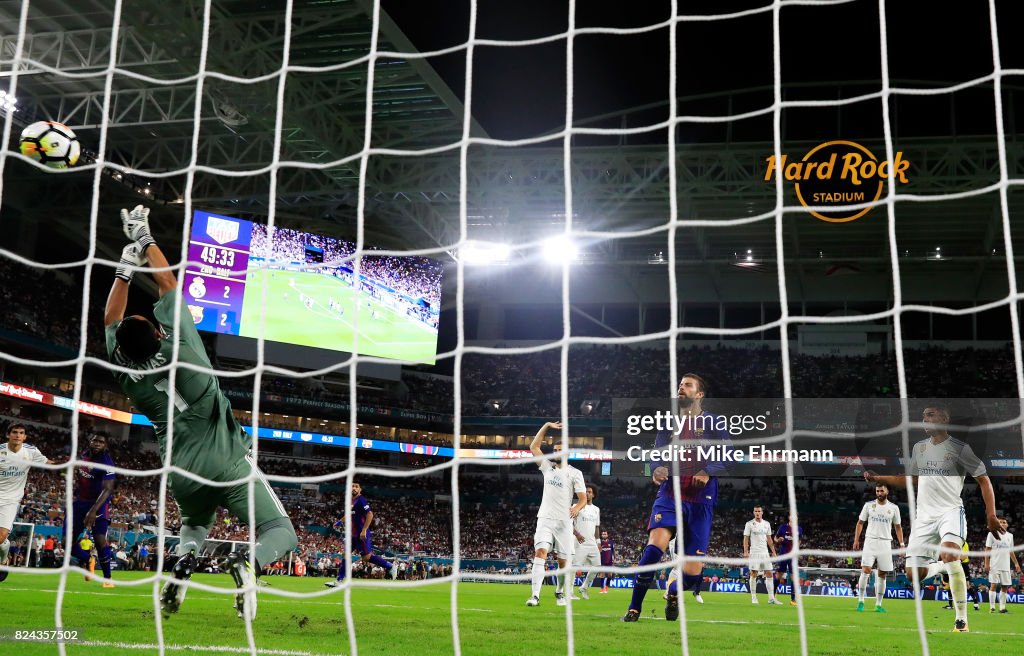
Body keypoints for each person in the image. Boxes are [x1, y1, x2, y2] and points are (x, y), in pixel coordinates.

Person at [105, 205, 297, 620]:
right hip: (227, 461)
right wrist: (144, 239)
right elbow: (168, 282)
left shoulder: (126, 372)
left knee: (195, 524)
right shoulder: (184, 348)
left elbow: (110, 318)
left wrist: (123, 270)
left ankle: (182, 566)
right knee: (281, 532)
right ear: (159, 332)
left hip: (180, 469)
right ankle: (250, 564)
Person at [864, 405, 1004, 632]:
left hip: (950, 512)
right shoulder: (919, 448)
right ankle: (940, 567)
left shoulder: (960, 448)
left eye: (930, 415)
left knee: (950, 553)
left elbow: (984, 480)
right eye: (923, 416)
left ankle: (961, 620)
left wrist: (990, 514)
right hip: (923, 518)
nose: (925, 419)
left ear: (944, 419)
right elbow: (911, 480)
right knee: (913, 576)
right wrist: (879, 478)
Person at [622, 374, 730, 622]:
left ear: (699, 394)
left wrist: (707, 471)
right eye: (680, 384)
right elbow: (656, 454)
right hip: (670, 495)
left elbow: (729, 455)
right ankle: (634, 608)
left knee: (692, 574)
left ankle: (673, 592)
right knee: (653, 550)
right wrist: (656, 467)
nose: (681, 387)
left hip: (701, 501)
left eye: (687, 385)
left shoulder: (714, 423)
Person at [525, 421, 586, 607]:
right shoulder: (547, 466)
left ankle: (559, 592)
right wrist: (546, 426)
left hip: (564, 522)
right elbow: (533, 446)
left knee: (563, 563)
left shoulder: (576, 473)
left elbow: (582, 498)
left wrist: (576, 508)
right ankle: (535, 596)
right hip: (545, 518)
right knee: (540, 552)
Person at [0, 423, 52, 582]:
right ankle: (5, 550)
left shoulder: (31, 451)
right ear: (8, 434)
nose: (17, 435)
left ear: (25, 437)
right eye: (14, 432)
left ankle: (3, 558)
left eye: (21, 433)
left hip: (10, 500)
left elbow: (48, 463)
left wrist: (67, 465)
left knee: (0, 536)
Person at [65, 433, 116, 587]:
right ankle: (87, 559)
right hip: (80, 503)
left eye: (101, 441)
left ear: (105, 445)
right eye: (95, 440)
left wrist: (93, 510)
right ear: (90, 442)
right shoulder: (83, 455)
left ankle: (108, 579)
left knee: (100, 541)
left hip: (99, 505)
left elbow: (108, 489)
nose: (97, 443)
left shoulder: (106, 462)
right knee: (66, 543)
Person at [324, 482, 398, 586]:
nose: (354, 488)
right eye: (352, 486)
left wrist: (364, 530)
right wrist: (340, 521)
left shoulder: (361, 500)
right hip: (352, 534)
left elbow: (370, 515)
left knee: (366, 558)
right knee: (345, 554)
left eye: (356, 487)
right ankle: (339, 580)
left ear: (360, 490)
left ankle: (390, 566)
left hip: (361, 534)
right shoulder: (351, 501)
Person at [852, 482, 905, 613]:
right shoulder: (868, 505)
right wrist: (856, 539)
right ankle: (861, 601)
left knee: (882, 574)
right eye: (877, 491)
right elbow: (860, 523)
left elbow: (898, 527)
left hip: (886, 543)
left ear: (887, 492)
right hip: (870, 541)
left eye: (881, 491)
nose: (879, 493)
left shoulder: (894, 508)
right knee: (866, 570)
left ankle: (878, 604)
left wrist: (902, 544)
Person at [744, 505, 780, 605]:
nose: (757, 513)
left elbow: (769, 539)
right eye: (755, 511)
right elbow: (746, 538)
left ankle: (771, 598)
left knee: (769, 573)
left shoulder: (767, 524)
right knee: (754, 574)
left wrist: (773, 552)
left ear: (762, 512)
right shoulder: (749, 524)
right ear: (753, 512)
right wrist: (745, 551)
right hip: (754, 552)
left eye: (759, 511)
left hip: (765, 553)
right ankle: (754, 597)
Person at [985, 517, 1020, 614]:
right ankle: (992, 607)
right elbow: (987, 550)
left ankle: (1002, 607)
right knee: (993, 585)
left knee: (1005, 586)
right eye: (1000, 522)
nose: (1002, 524)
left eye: (1004, 522)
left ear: (1007, 525)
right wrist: (986, 564)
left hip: (1006, 566)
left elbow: (1011, 552)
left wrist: (1016, 564)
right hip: (994, 565)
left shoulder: (1010, 536)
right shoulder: (991, 534)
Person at [573, 485, 601, 599]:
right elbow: (568, 523)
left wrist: (598, 542)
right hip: (580, 543)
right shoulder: (576, 506)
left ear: (593, 495)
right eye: (586, 492)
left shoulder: (596, 509)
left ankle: (584, 587)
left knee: (597, 567)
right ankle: (568, 592)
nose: (587, 494)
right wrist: (577, 534)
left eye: (589, 492)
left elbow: (597, 527)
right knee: (574, 568)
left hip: (592, 543)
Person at [774, 512, 804, 606]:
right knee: (779, 576)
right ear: (789, 517)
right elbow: (775, 538)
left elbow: (799, 540)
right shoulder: (782, 527)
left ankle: (793, 600)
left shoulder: (799, 529)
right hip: (783, 554)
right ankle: (773, 597)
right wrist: (778, 540)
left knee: (793, 577)